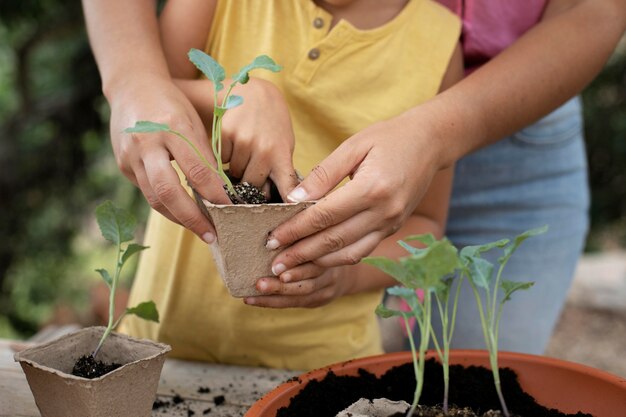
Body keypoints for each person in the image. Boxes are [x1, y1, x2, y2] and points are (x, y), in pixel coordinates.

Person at [82, 0, 464, 369]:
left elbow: (426, 231)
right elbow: (148, 101)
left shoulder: (437, 46)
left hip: (323, 371)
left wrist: (347, 276)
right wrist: (224, 97)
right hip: (163, 356)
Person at [264, 0, 626, 354]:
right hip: (356, 91)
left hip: (529, 107)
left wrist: (431, 137)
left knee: (471, 380)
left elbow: (597, 9)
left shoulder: (439, 43)